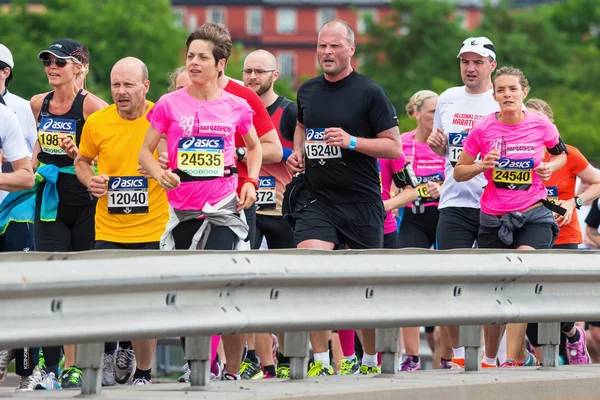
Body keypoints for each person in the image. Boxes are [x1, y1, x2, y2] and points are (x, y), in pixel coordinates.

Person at [138, 24, 262, 381]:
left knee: (223, 289)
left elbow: (254, 148)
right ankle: (196, 368)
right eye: (190, 56)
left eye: (202, 57)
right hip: (183, 212)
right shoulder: (169, 104)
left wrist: (250, 181)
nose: (193, 63)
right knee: (187, 293)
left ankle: (233, 370)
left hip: (224, 209)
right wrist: (160, 175)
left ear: (220, 64)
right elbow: (145, 151)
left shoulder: (236, 105)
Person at [286, 19, 402, 376]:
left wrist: (352, 141)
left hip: (361, 202)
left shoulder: (370, 92)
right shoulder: (307, 91)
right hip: (318, 199)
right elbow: (303, 126)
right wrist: (298, 151)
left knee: (361, 287)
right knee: (310, 274)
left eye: (334, 46)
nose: (326, 53)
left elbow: (394, 146)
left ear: (351, 49)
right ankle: (322, 362)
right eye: (322, 46)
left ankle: (367, 361)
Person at [454, 66, 568, 369]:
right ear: (494, 95)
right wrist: (481, 165)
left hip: (533, 212)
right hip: (494, 217)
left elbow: (561, 154)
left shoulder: (541, 124)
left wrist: (550, 167)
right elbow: (458, 171)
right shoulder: (482, 129)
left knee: (521, 267)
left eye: (512, 89)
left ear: (524, 92)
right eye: (501, 90)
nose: (507, 94)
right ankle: (490, 358)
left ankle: (516, 356)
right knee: (495, 288)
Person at [74, 57, 168, 386]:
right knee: (104, 300)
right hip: (109, 227)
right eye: (116, 84)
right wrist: (90, 180)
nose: (121, 91)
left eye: (129, 84)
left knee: (146, 304)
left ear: (145, 86)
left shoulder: (162, 117)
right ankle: (114, 349)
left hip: (152, 226)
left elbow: (177, 162)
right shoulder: (98, 122)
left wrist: (166, 167)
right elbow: (82, 161)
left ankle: (142, 373)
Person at [29, 38, 106, 391]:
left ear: (79, 67)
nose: (52, 68)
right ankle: (49, 366)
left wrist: (82, 155)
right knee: (50, 281)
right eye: (48, 62)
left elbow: (111, 153)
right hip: (49, 200)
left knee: (78, 284)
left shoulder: (92, 107)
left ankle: (77, 365)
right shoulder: (37, 103)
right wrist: (31, 163)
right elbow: (37, 145)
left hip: (84, 203)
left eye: (60, 62)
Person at [426, 36, 503, 369]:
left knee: (495, 282)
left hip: (495, 202)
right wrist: (436, 145)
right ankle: (457, 355)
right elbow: (444, 150)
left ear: (492, 66)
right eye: (465, 62)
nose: (470, 68)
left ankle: (490, 357)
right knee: (450, 280)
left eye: (477, 62)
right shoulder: (447, 99)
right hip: (454, 201)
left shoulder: (502, 101)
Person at [514, 98, 600, 366]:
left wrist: (572, 203)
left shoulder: (568, 154)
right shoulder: (515, 155)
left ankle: (573, 336)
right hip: (528, 236)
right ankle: (543, 366)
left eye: (540, 123)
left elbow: (597, 181)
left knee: (556, 302)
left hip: (564, 236)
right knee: (528, 305)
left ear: (550, 125)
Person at [241, 49, 297, 379]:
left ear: (275, 75)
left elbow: (301, 150)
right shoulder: (235, 107)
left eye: (259, 71)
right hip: (248, 206)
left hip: (282, 207)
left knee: (286, 287)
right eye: (247, 71)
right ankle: (263, 361)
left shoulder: (288, 112)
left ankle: (290, 357)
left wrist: (289, 154)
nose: (252, 77)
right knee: (251, 286)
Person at [398, 90, 445, 372]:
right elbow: (389, 177)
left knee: (449, 286)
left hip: (443, 216)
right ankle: (412, 357)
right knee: (408, 283)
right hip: (413, 218)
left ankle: (451, 357)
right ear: (415, 113)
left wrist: (444, 187)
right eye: (431, 111)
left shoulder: (449, 142)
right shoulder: (402, 143)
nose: (437, 116)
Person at [0, 103, 36, 392]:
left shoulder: (15, 111)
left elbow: (28, 174)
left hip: (15, 211)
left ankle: (26, 370)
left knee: (20, 293)